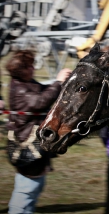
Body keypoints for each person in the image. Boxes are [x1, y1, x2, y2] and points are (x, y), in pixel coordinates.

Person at [6, 50, 72, 214]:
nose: (34, 68)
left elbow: (42, 89)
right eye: (30, 66)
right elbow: (40, 101)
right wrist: (58, 81)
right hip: (27, 147)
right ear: (22, 70)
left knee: (34, 187)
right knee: (26, 190)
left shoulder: (24, 82)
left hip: (32, 146)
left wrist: (61, 82)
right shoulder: (19, 89)